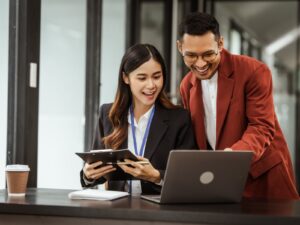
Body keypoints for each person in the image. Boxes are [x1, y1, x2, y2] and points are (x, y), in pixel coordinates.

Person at [178, 12, 299, 199]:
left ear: (220, 44)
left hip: (263, 179)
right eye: (191, 56)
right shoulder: (187, 85)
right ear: (180, 48)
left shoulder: (254, 71)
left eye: (208, 54)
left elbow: (262, 127)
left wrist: (232, 156)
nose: (200, 63)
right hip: (221, 183)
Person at [80, 43, 196, 195]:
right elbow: (96, 171)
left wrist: (156, 176)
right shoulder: (108, 114)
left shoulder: (179, 119)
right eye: (142, 78)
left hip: (160, 212)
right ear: (126, 78)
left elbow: (188, 178)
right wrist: (88, 175)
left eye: (157, 76)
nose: (151, 85)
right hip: (117, 209)